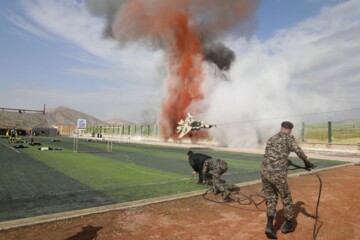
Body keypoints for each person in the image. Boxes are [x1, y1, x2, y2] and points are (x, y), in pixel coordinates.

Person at [261, 121, 315, 239]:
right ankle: (289, 223)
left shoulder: (271, 138)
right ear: (290, 130)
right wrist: (308, 163)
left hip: (265, 173)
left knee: (271, 198)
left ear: (281, 128)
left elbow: (271, 155)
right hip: (278, 175)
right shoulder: (289, 139)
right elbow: (299, 152)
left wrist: (285, 161)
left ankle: (270, 225)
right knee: (286, 198)